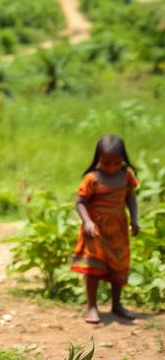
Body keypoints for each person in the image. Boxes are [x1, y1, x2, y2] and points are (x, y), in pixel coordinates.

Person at [71, 134, 140, 325]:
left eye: (116, 163)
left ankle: (116, 305)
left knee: (119, 266)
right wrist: (87, 222)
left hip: (118, 231)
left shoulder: (126, 176)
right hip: (95, 232)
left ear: (123, 160)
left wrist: (134, 220)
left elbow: (131, 199)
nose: (111, 168)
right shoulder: (92, 178)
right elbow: (80, 202)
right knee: (93, 269)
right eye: (106, 163)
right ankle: (92, 306)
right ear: (98, 159)